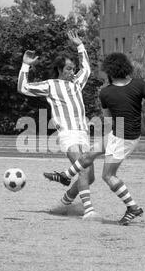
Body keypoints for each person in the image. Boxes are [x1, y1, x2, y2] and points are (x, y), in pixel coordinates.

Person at [44, 52, 145, 225]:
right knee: (89, 155)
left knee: (108, 176)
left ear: (110, 72)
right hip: (126, 134)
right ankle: (65, 176)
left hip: (121, 136)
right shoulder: (140, 84)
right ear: (126, 68)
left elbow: (108, 119)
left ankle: (133, 207)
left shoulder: (106, 92)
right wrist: (144, 120)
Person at [18, 30, 99, 220]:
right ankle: (89, 210)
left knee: (91, 176)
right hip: (68, 134)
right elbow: (22, 87)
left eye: (73, 68)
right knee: (83, 170)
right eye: (69, 69)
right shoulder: (51, 85)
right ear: (60, 70)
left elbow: (86, 69)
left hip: (83, 134)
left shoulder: (77, 83)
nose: (73, 71)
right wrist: (25, 65)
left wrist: (80, 46)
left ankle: (63, 204)